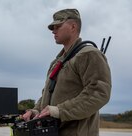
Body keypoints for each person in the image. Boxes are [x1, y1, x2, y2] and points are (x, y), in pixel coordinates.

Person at [21, 8, 112, 136]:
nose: (53, 30)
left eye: (58, 26)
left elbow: (98, 93)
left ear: (73, 26)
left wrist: (59, 111)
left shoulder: (89, 55)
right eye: (53, 27)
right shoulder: (57, 62)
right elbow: (47, 95)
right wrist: (36, 111)